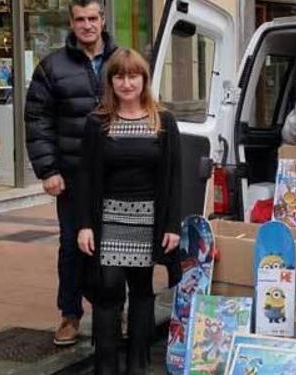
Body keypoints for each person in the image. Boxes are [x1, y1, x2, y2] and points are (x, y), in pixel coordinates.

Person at [76, 47, 182, 374]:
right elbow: (86, 177)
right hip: (108, 220)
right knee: (107, 291)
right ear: (111, 81)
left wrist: (171, 226)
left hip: (147, 220)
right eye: (119, 76)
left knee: (141, 292)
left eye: (133, 76)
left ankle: (138, 364)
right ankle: (106, 367)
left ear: (144, 79)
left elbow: (174, 177)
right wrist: (84, 225)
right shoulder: (97, 122)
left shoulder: (162, 120)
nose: (126, 83)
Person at [25, 0, 118, 345]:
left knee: (114, 245)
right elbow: (37, 120)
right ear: (71, 23)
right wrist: (48, 170)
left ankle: (112, 308)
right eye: (80, 19)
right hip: (74, 176)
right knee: (71, 246)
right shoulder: (52, 66)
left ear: (103, 20)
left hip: (115, 175)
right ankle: (70, 314)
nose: (87, 25)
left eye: (93, 18)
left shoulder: (123, 62)